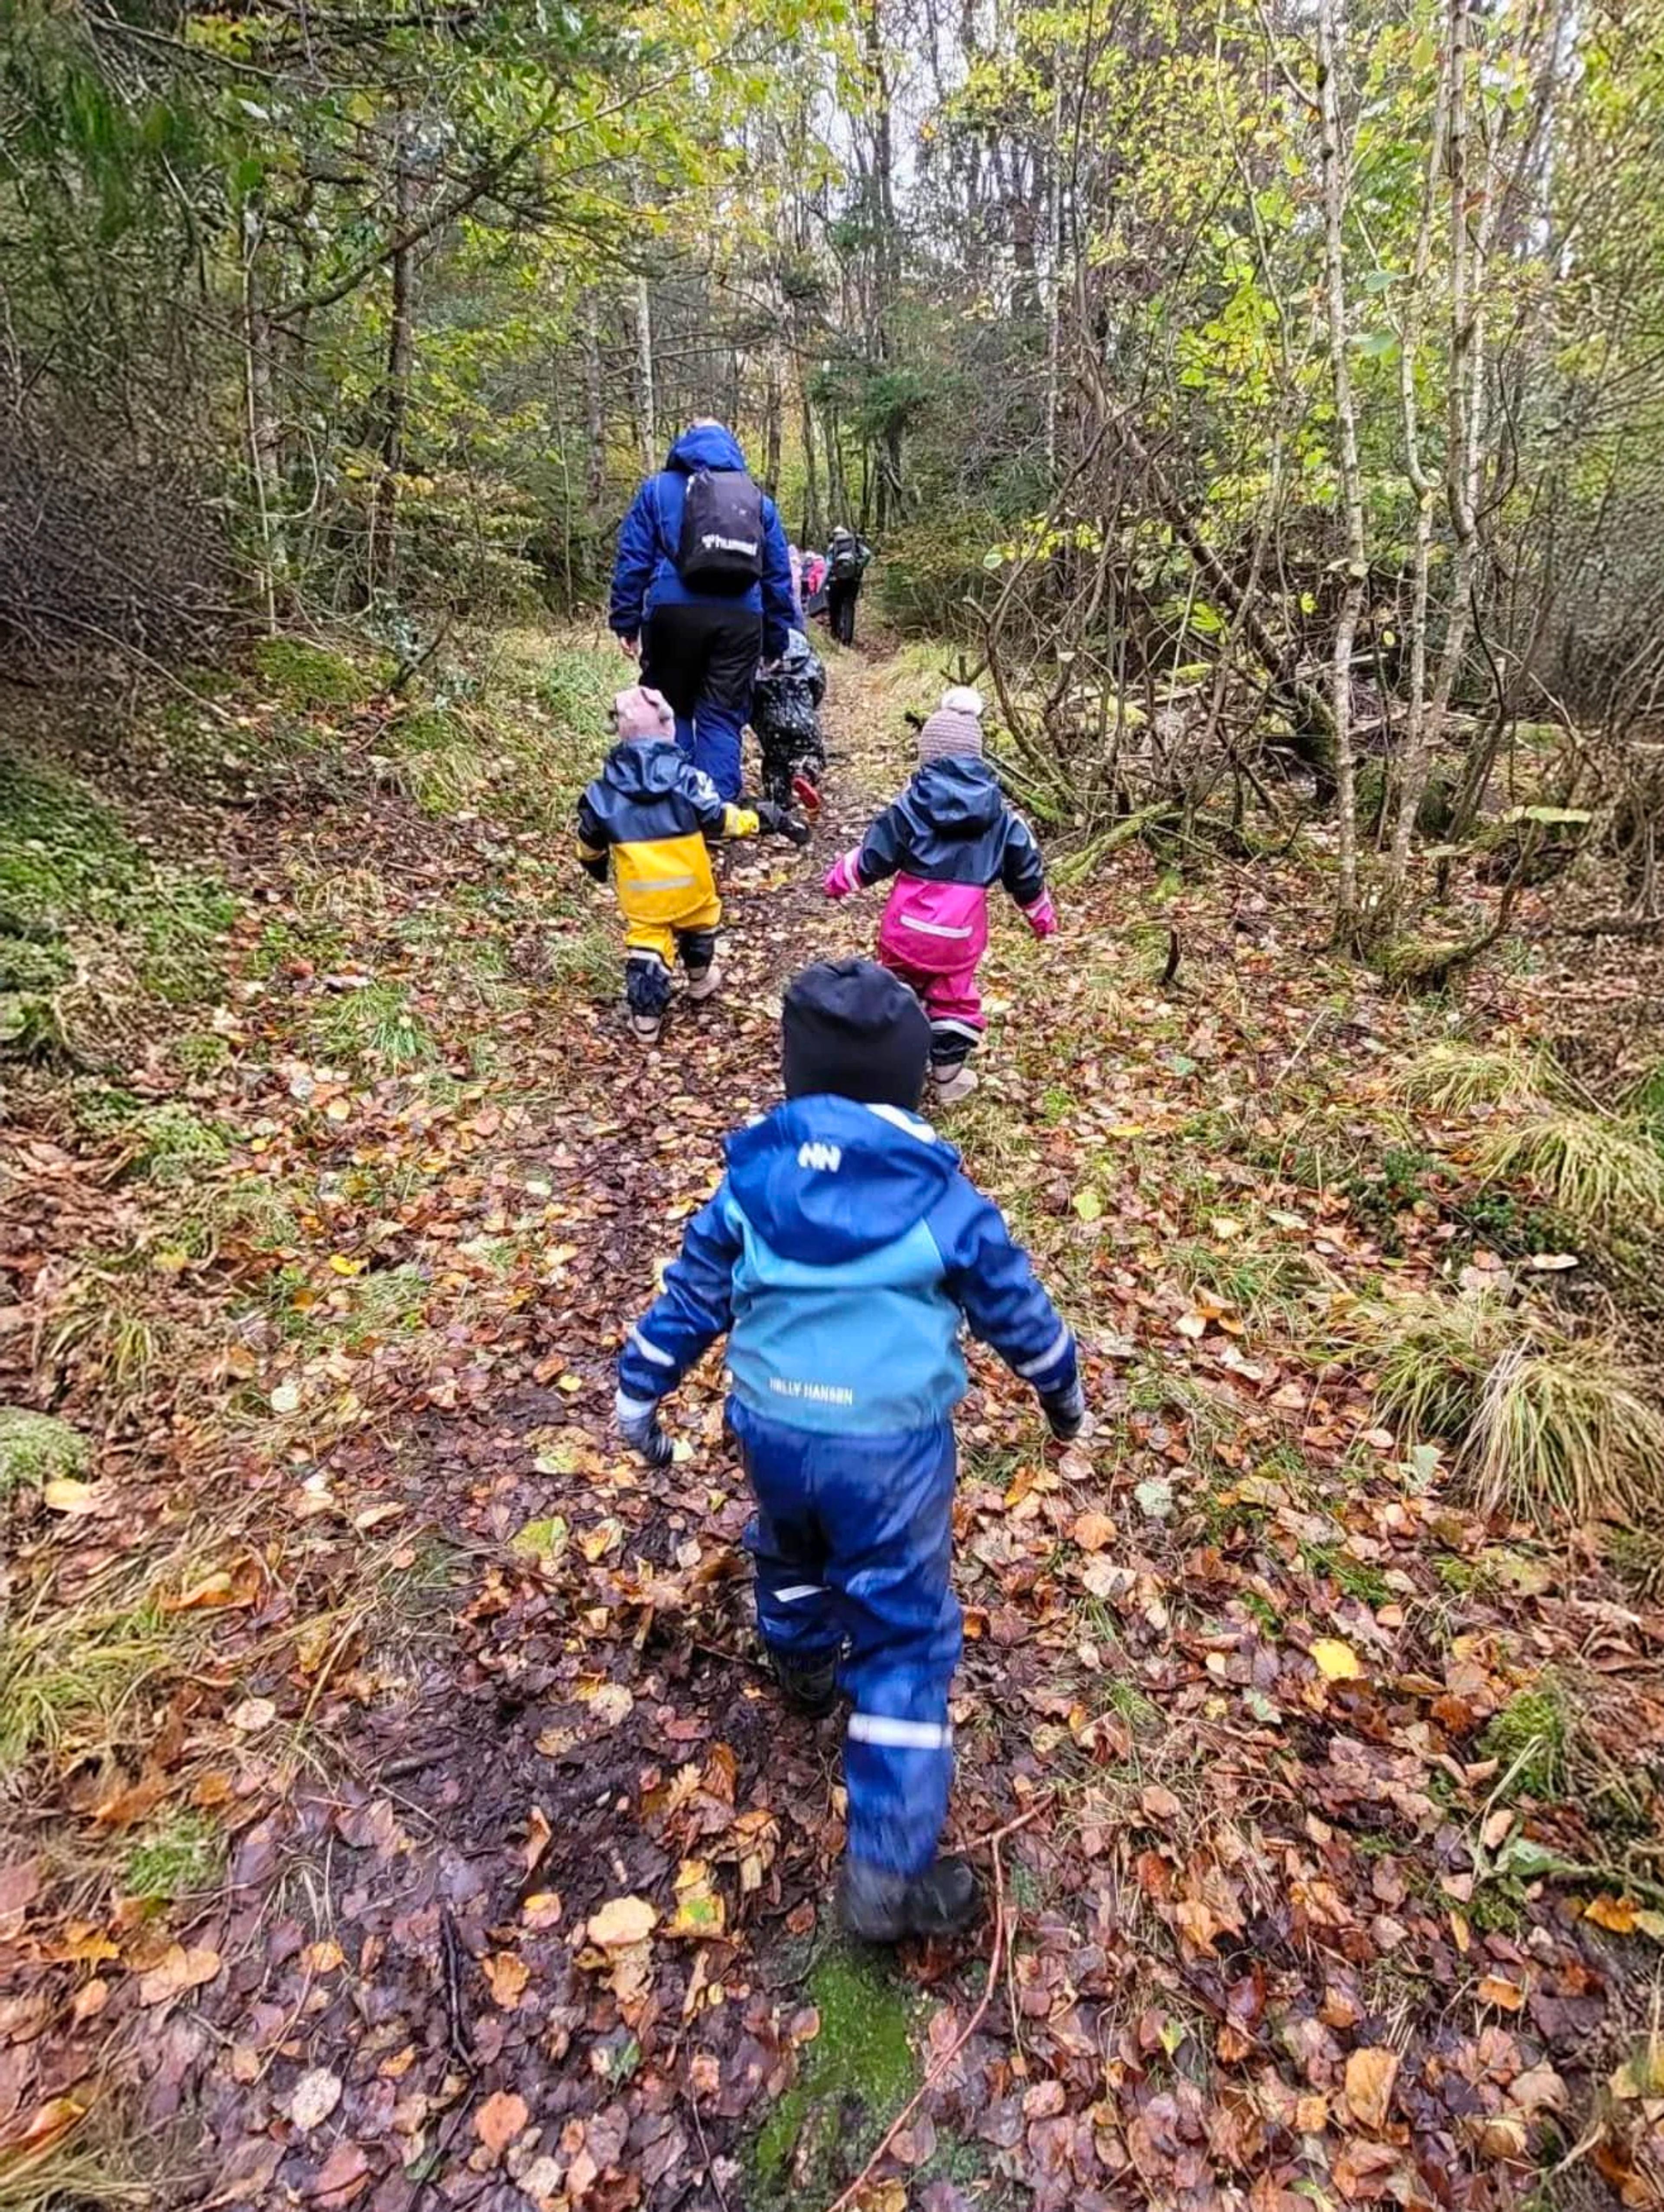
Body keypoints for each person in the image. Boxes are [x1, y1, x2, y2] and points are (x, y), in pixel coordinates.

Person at [613, 959, 1087, 1941]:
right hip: (892, 1447)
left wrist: (639, 1389)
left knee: (790, 1543)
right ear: (909, 1081)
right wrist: (1061, 1394)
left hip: (774, 1424)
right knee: (903, 1634)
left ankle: (799, 1662)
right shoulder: (940, 1196)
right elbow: (1017, 1308)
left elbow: (692, 1293)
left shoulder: (752, 1182)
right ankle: (886, 1873)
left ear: (797, 1076)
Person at [824, 687, 1056, 1104]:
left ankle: (888, 1061)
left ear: (926, 757)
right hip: (959, 939)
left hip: (905, 933)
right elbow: (1027, 874)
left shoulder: (909, 808)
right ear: (977, 757)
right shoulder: (1002, 820)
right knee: (954, 999)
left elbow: (873, 855)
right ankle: (948, 1078)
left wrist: (840, 879)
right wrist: (1041, 916)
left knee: (897, 987)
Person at [577, 685, 806, 1045]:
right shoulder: (689, 781)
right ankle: (699, 979)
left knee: (647, 943)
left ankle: (646, 1020)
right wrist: (759, 821)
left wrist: (594, 864)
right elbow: (721, 820)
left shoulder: (603, 793)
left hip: (642, 895)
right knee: (699, 926)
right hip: (691, 885)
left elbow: (590, 840)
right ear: (667, 728)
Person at [608, 420, 797, 803]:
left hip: (672, 614)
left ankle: (674, 802)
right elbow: (778, 577)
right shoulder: (756, 499)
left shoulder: (657, 490)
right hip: (740, 619)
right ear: (731, 447)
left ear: (685, 445)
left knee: (671, 708)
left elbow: (633, 560)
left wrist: (625, 620)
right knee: (722, 715)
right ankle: (716, 808)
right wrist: (776, 640)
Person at [751, 629, 828, 811]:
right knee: (812, 754)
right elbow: (819, 684)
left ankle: (778, 802)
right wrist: (811, 705)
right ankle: (804, 775)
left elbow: (750, 693)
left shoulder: (758, 659)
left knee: (775, 762)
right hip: (804, 720)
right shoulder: (805, 656)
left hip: (770, 722)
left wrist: (756, 719)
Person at [824, 524, 873, 647]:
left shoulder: (833, 547)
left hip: (835, 580)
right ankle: (847, 639)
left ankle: (836, 633)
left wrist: (826, 580)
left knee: (835, 607)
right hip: (853, 581)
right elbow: (868, 555)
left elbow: (828, 565)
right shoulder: (855, 545)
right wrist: (857, 568)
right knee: (849, 608)